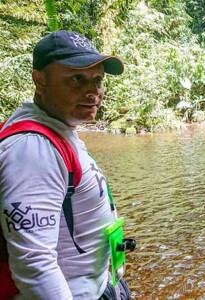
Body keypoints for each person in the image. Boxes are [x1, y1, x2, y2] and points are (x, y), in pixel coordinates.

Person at [0, 30, 130, 299]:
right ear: (40, 80)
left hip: (94, 285)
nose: (93, 91)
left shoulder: (57, 129)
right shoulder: (31, 150)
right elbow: (36, 265)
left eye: (98, 81)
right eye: (76, 79)